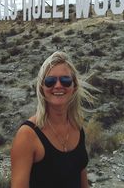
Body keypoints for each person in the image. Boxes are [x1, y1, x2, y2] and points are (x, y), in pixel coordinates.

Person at [11, 51, 96, 188]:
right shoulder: (28, 135)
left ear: (74, 87)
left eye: (65, 80)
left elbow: (82, 182)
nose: (58, 86)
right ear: (42, 88)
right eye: (50, 81)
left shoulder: (77, 127)